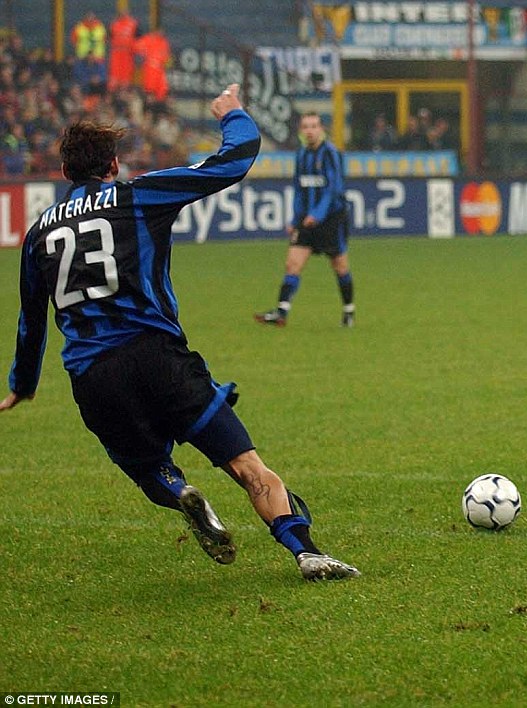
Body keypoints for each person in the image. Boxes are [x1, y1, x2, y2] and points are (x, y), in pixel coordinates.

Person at [0, 84, 359, 582]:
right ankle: (306, 551)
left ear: (64, 173)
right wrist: (233, 114)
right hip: (159, 358)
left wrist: (23, 383)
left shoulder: (39, 231)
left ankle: (180, 492)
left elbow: (30, 317)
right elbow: (233, 161)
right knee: (246, 465)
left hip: (93, 377)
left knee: (149, 467)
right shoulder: (137, 195)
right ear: (113, 166)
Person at [255, 112, 354, 327]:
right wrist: (295, 218)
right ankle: (281, 313)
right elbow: (299, 189)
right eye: (306, 127)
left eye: (314, 126)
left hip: (331, 219)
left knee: (340, 266)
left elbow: (333, 190)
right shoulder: (301, 155)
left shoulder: (330, 153)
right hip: (307, 220)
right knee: (292, 263)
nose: (310, 130)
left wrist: (317, 215)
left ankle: (348, 312)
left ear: (321, 129)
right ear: (301, 131)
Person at [107, 9, 138, 92]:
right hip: (116, 53)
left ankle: (125, 92)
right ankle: (113, 93)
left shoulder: (133, 24)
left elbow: (138, 38)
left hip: (128, 54)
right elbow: (108, 36)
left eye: (125, 13)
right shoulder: (113, 24)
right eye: (121, 13)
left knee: (126, 77)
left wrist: (133, 48)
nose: (123, 14)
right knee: (114, 76)